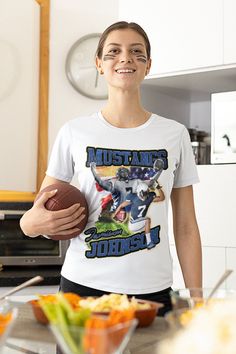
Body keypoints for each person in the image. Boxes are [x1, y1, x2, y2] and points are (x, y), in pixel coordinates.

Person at [20, 21, 202, 316]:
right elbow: (36, 215)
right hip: (83, 288)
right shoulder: (73, 132)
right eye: (113, 51)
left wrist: (197, 300)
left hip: (153, 290)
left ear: (148, 65)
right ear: (99, 65)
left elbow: (186, 227)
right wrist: (31, 225)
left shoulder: (174, 134)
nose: (125, 58)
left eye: (136, 52)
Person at [113, 181, 165, 249]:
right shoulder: (148, 197)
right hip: (133, 224)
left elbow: (121, 206)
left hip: (138, 223)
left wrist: (115, 214)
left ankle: (147, 239)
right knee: (147, 220)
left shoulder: (136, 197)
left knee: (147, 220)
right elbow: (162, 198)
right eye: (143, 193)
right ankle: (149, 242)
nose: (144, 196)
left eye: (145, 193)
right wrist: (158, 188)